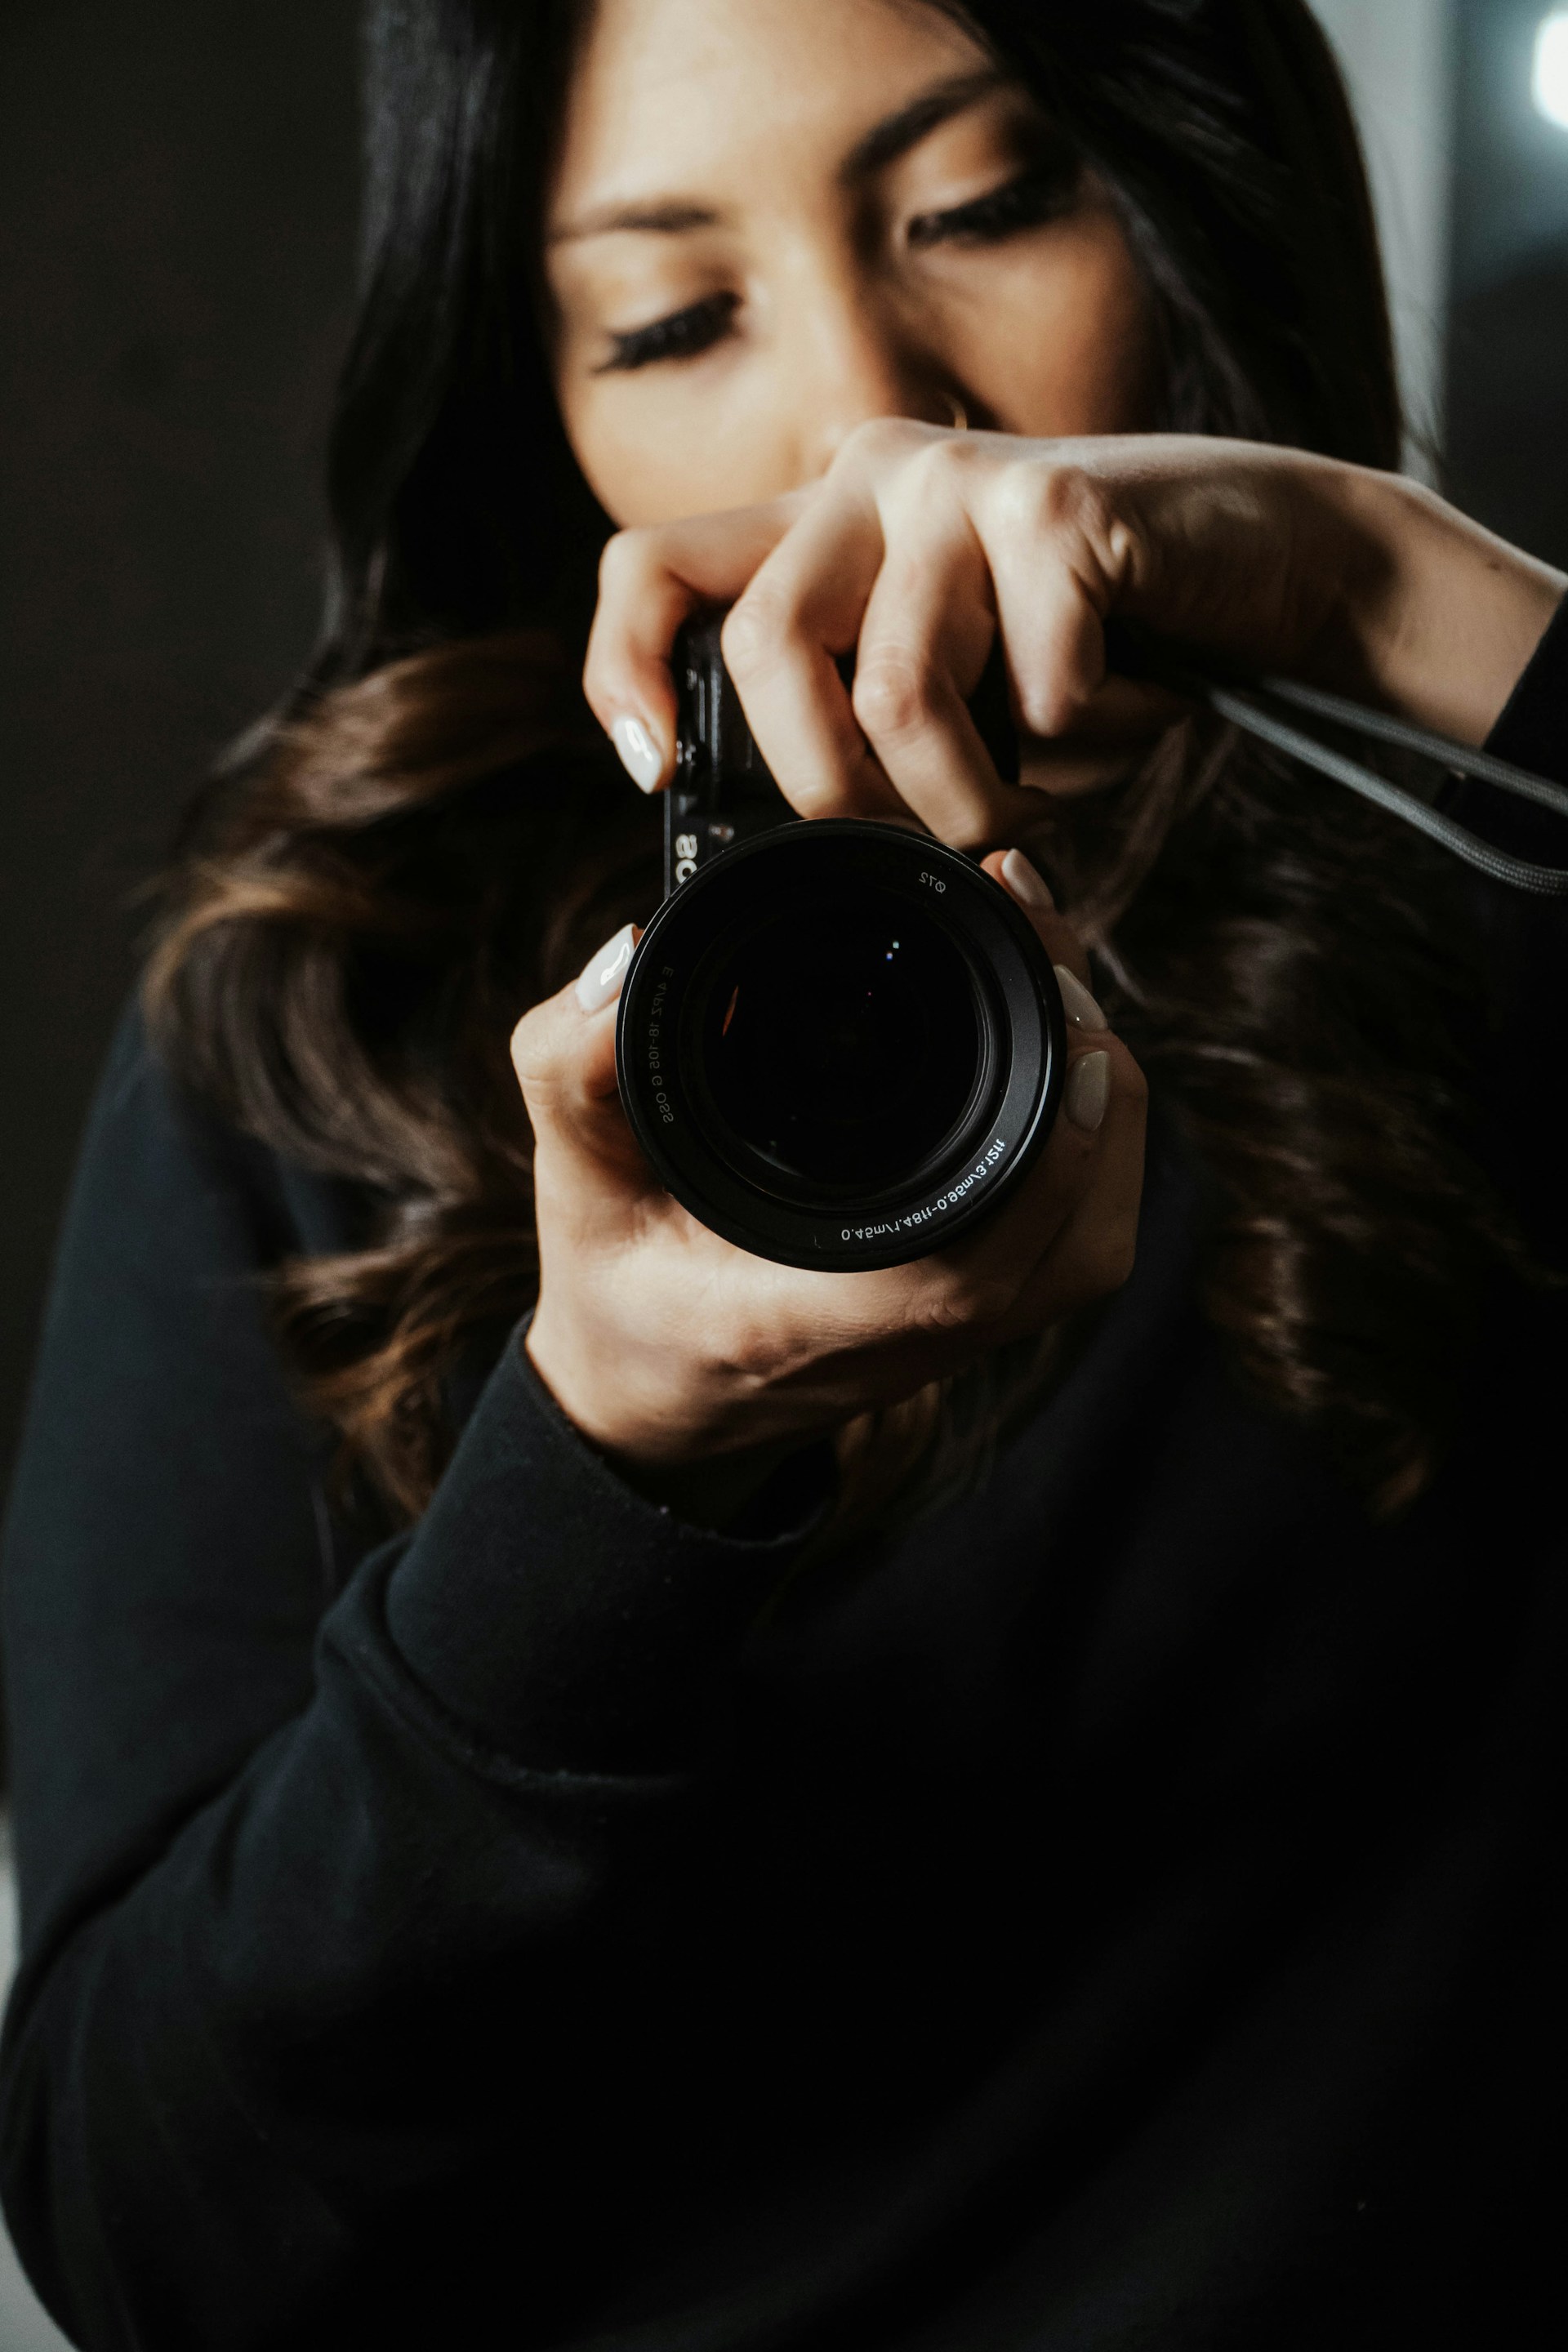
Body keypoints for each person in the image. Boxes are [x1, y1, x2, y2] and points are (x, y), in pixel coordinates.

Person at [2, 0, 1565, 2342]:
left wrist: (1377, 583)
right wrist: (605, 1467)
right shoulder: (329, 1002)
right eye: (675, 314)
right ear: (540, 400)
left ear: (1175, 187)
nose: (872, 406)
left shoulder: (1474, 896)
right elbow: (142, 2233)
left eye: (980, 206)